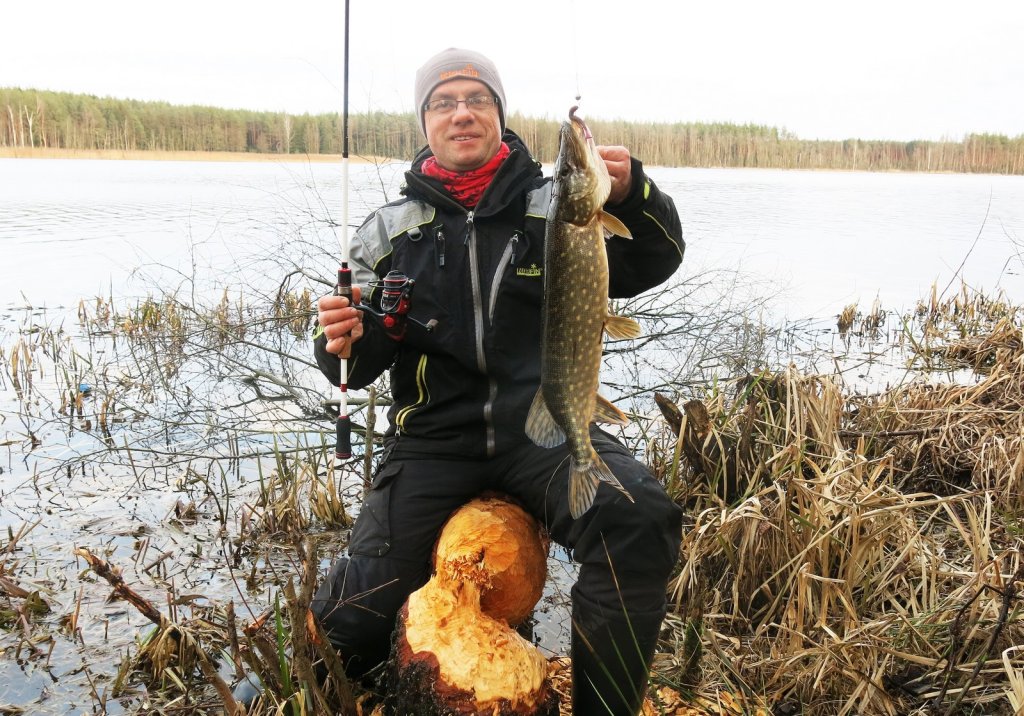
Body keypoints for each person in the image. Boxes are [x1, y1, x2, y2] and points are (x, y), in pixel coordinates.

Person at [311, 47, 685, 715]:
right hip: (432, 441)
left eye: (476, 99)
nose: (461, 113)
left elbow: (655, 258)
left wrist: (636, 194)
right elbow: (354, 363)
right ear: (425, 123)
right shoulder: (387, 232)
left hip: (542, 427)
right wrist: (341, 337)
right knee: (352, 615)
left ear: (499, 115)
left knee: (639, 517)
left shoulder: (559, 208)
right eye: (443, 103)